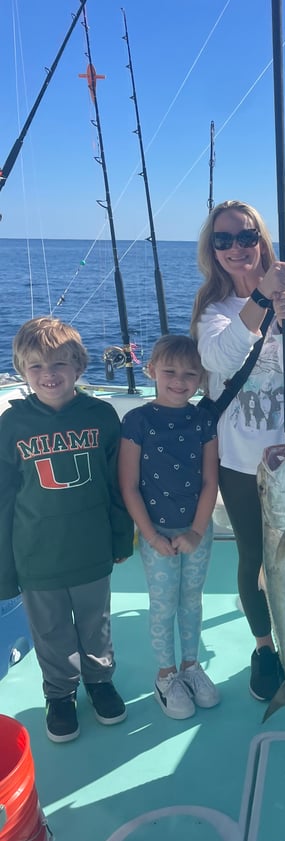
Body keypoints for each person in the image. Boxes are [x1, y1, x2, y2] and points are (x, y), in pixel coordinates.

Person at [190, 200, 285, 704]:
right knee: (256, 556)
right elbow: (220, 359)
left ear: (261, 239)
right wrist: (262, 305)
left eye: (245, 236)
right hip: (242, 461)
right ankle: (264, 647)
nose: (235, 248)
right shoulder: (212, 310)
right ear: (211, 250)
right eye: (222, 240)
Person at [0, 317, 133, 743]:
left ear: (79, 365)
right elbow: (4, 498)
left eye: (59, 363)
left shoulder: (102, 415)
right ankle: (59, 694)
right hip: (35, 554)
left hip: (91, 548)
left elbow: (116, 484)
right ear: (21, 371)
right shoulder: (11, 425)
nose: (48, 374)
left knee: (96, 623)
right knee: (51, 630)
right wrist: (6, 566)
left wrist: (119, 537)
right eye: (35, 366)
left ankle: (99, 682)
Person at [118, 335, 220, 720]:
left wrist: (195, 530)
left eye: (190, 374)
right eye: (170, 372)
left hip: (197, 532)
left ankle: (191, 666)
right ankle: (166, 675)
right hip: (154, 531)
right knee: (163, 606)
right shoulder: (137, 421)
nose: (180, 380)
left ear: (201, 378)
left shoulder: (203, 420)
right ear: (151, 372)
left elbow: (210, 481)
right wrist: (151, 535)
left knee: (191, 600)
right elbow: (128, 485)